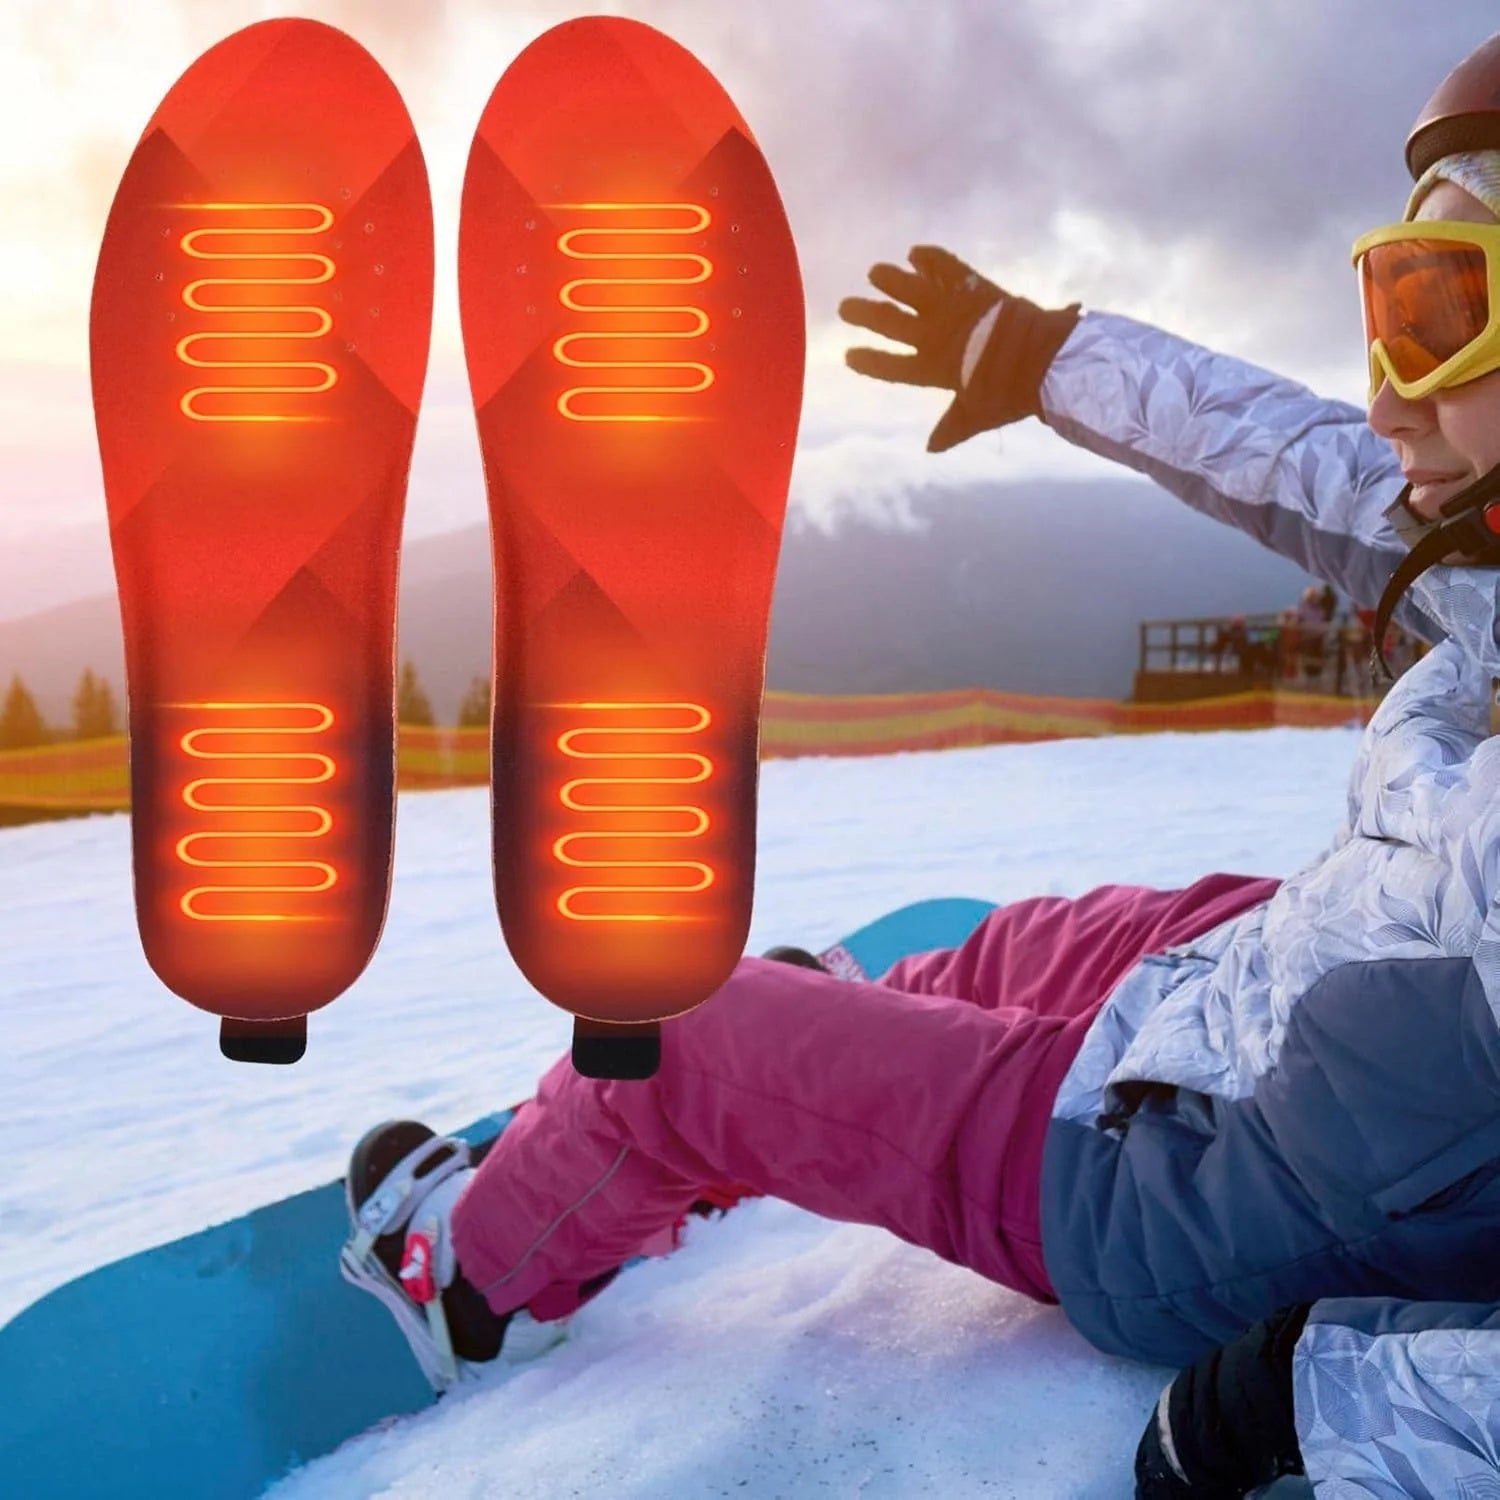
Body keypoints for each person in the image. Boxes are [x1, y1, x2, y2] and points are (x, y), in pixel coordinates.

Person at [341, 31, 1500, 1496]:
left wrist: (1317, 1400)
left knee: (679, 1036)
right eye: (1393, 299)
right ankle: (824, 1063)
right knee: (1032, 938)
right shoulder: (1483, 546)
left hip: (1198, 1197)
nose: (1390, 396)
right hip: (1308, 1008)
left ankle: (466, 1282)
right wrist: (1044, 355)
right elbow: (1309, 461)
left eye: (1448, 309)